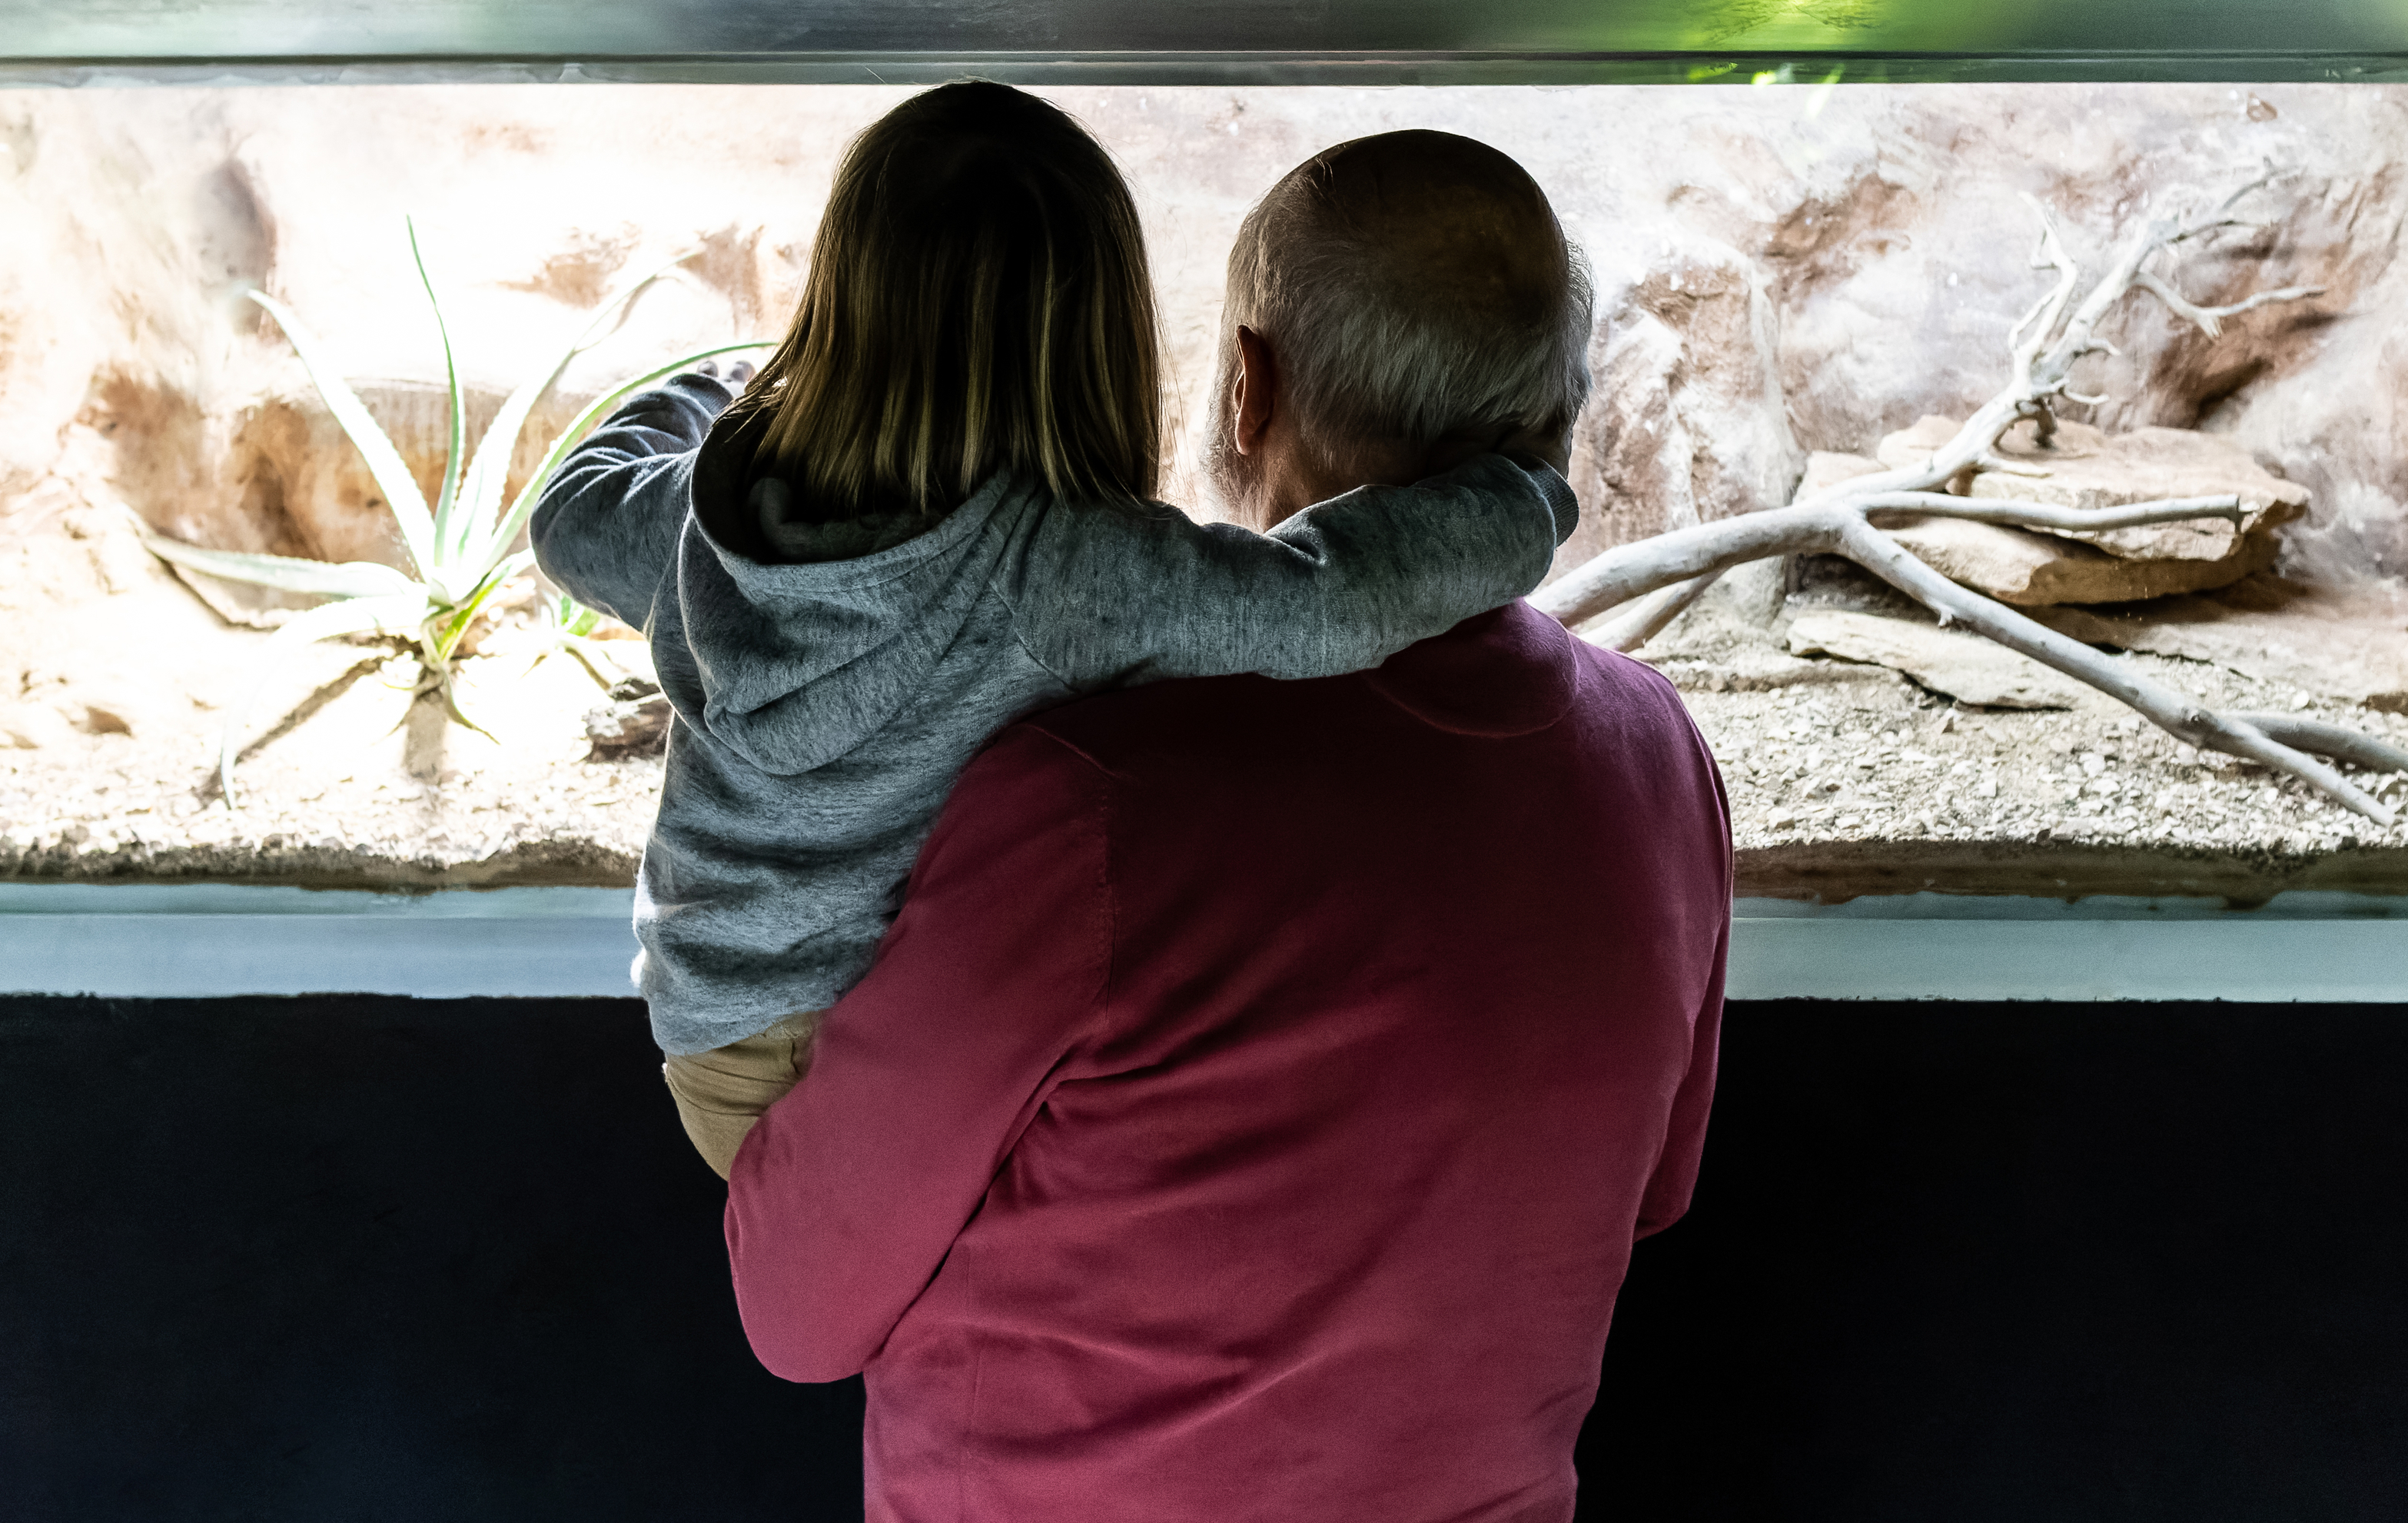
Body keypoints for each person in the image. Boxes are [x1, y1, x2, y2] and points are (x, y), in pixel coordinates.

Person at [726, 129, 1734, 1523]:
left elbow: (797, 1308)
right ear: (1561, 415)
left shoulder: (1084, 802)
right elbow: (1642, 1198)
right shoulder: (1662, 760)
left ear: (1246, 389)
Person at [528, 85, 1577, 1176]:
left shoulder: (699, 523)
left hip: (713, 1049)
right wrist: (1525, 493)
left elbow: (568, 511)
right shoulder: (1057, 569)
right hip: (894, 1059)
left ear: (837, 307)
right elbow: (1329, 601)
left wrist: (724, 384)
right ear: (1097, 337)